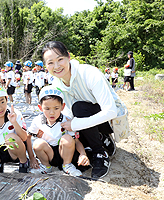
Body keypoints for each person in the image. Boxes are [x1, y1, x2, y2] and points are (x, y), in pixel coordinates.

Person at [42, 41, 127, 179]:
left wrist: (75, 125)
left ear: (68, 57)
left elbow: (111, 111)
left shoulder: (88, 73)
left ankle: (100, 152)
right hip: (87, 120)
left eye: (60, 59)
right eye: (50, 63)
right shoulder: (56, 83)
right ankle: (101, 139)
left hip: (111, 120)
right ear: (46, 66)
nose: (56, 66)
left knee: (79, 108)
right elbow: (66, 112)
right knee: (70, 119)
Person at [27, 86, 90, 176]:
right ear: (40, 108)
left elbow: (76, 141)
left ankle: (67, 165)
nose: (52, 113)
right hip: (48, 154)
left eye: (56, 108)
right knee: (37, 143)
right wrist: (32, 158)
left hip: (64, 153)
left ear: (62, 106)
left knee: (67, 138)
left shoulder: (66, 120)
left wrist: (83, 154)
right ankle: (46, 166)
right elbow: (28, 137)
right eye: (47, 109)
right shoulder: (37, 121)